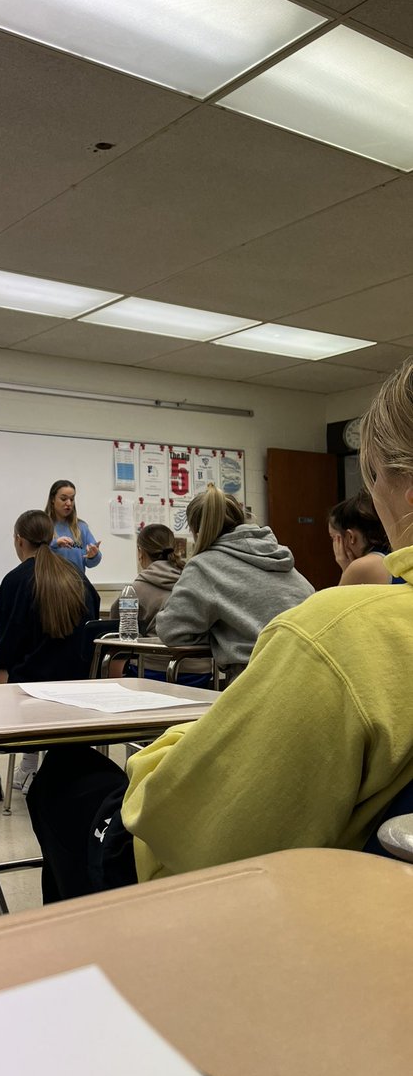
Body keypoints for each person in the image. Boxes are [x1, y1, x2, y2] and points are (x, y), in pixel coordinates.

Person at [26, 355, 413, 903]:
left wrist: (176, 745)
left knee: (64, 778)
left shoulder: (335, 634)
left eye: (371, 477)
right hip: (375, 897)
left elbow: (186, 824)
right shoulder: (290, 566)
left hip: (256, 883)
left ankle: (94, 967)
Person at [155, 484, 313, 683]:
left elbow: (171, 630)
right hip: (313, 675)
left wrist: (220, 638)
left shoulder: (204, 566)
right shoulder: (278, 555)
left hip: (259, 681)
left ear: (196, 531)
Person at [0, 510, 99, 796]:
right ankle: (29, 766)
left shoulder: (15, 582)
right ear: (51, 539)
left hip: (29, 692)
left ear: (19, 541)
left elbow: (7, 649)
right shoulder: (79, 579)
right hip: (79, 691)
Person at [108, 524, 210, 683]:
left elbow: (115, 634)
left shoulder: (135, 591)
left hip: (154, 672)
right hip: (201, 672)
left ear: (140, 552)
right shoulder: (191, 579)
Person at [328, 491, 392, 585]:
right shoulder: (393, 553)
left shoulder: (362, 567)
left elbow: (338, 599)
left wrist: (346, 570)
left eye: (333, 538)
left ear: (350, 537)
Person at [45, 479, 101, 573]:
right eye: (63, 499)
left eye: (71, 499)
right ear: (52, 499)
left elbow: (91, 562)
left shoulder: (81, 527)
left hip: (77, 584)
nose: (69, 503)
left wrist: (93, 555)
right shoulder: (43, 525)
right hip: (51, 585)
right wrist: (55, 544)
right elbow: (34, 555)